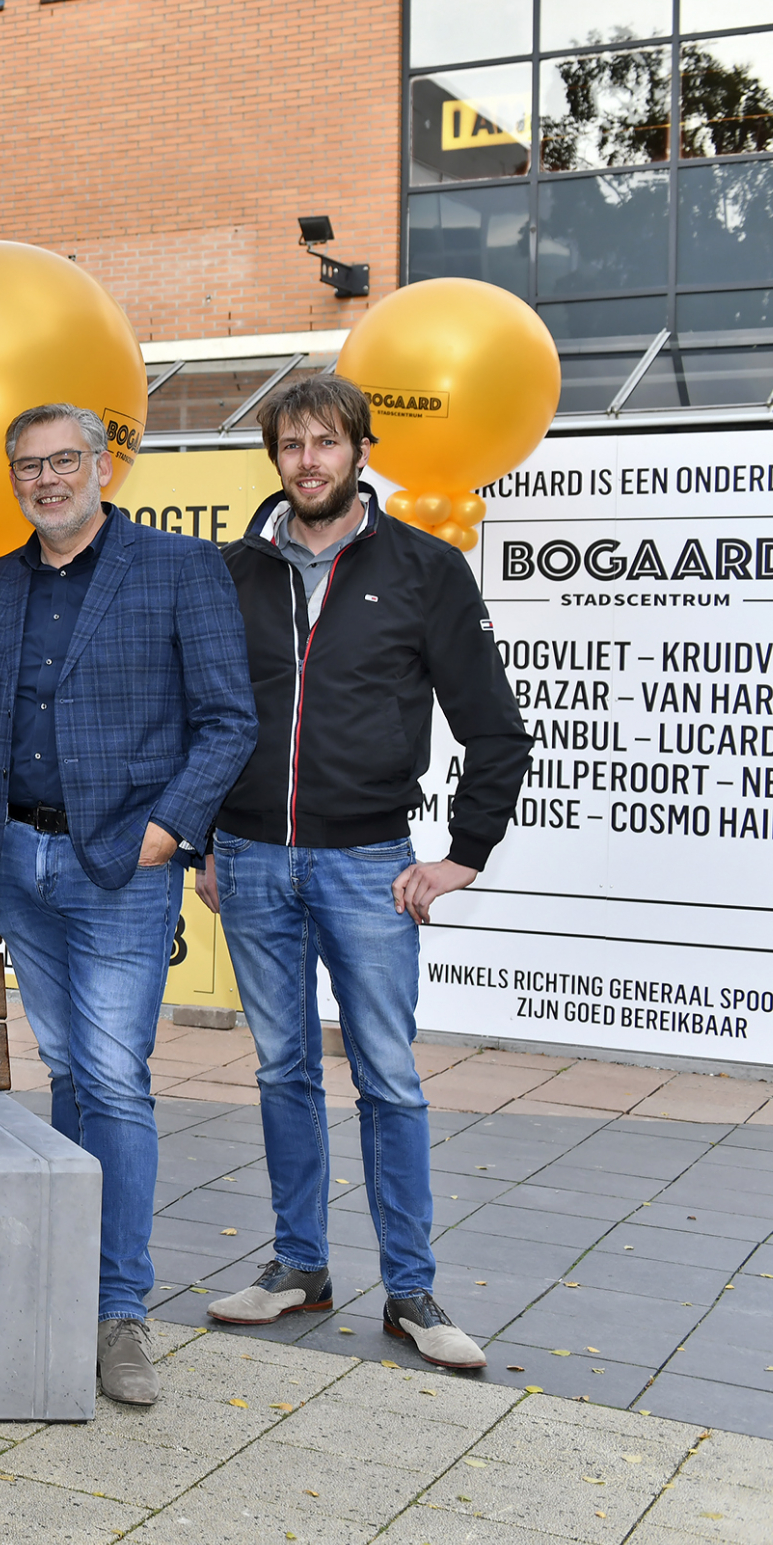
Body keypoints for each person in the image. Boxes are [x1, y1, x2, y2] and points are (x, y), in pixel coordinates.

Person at [0, 402, 256, 1408]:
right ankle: (66, 1284)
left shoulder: (176, 569)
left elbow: (227, 720)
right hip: (20, 858)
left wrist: (169, 832)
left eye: (64, 460)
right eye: (27, 465)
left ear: (104, 466)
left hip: (121, 864)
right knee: (66, 1069)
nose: (46, 479)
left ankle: (118, 1308)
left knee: (112, 1079)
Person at [200, 375, 532, 1370]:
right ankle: (298, 1265)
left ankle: (413, 1290)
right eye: (291, 445)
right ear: (275, 458)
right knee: (280, 1069)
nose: (307, 460)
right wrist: (206, 838)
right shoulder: (231, 572)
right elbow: (203, 718)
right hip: (253, 863)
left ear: (358, 450)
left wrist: (462, 853)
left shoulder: (424, 569)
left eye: (325, 442)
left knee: (388, 1077)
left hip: (367, 865)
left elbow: (495, 729)